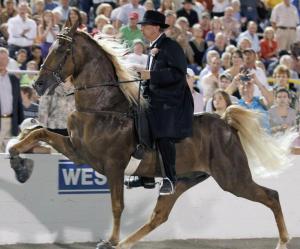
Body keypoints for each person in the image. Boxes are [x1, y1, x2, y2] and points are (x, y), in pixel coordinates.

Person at [128, 10, 194, 195]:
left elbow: (178, 74)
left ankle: (170, 179)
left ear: (156, 28)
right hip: (155, 96)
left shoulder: (170, 46)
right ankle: (146, 175)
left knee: (163, 133)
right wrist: (141, 72)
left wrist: (151, 75)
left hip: (172, 99)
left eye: (145, 26)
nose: (141, 29)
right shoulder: (154, 46)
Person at [0, 47, 24, 152]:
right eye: (0, 59)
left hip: (12, 122)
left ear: (8, 61)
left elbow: (18, 102)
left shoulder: (14, 79)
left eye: (4, 59)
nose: (2, 62)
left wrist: (21, 124)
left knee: (10, 154)